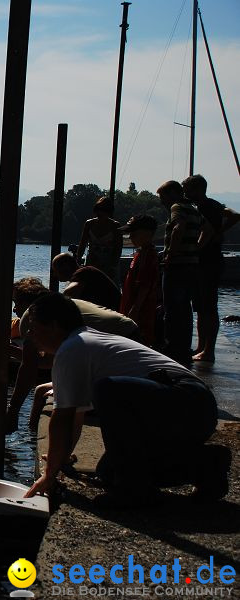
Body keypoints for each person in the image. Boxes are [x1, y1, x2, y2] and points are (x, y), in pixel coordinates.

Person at [22, 293, 227, 506]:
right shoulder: (86, 341)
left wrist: (49, 474)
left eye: (34, 328)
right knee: (109, 471)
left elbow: (62, 417)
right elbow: (76, 415)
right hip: (195, 409)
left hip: (185, 401)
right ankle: (205, 466)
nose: (30, 335)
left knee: (108, 389)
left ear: (54, 326)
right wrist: (61, 459)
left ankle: (133, 489)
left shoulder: (72, 348)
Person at [5, 277, 139, 434]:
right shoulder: (62, 305)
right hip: (130, 337)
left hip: (115, 357)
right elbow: (47, 361)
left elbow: (29, 368)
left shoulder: (33, 315)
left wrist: (12, 411)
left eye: (16, 302)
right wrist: (10, 351)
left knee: (69, 403)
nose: (14, 309)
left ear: (26, 302)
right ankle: (32, 437)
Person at [182, 175, 240, 362]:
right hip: (207, 260)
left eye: (187, 189)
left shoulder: (205, 206)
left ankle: (208, 350)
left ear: (197, 189)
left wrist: (211, 236)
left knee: (208, 307)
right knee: (201, 307)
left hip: (208, 260)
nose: (185, 193)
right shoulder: (213, 205)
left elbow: (234, 217)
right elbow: (234, 214)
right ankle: (202, 347)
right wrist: (220, 231)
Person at [158, 180, 204, 366]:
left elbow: (179, 227)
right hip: (191, 264)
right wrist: (193, 250)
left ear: (172, 194)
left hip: (177, 265)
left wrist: (170, 254)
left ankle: (172, 349)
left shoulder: (177, 207)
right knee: (184, 309)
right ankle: (184, 348)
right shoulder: (194, 208)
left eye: (163, 197)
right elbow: (206, 229)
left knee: (172, 309)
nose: (162, 202)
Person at [119, 214, 160, 346]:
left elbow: (145, 285)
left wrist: (135, 310)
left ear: (147, 233)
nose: (130, 236)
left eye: (133, 233)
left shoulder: (148, 256)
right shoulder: (140, 254)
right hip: (132, 309)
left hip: (141, 315)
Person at [51, 252, 121, 311]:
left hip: (116, 314)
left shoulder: (83, 272)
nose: (54, 275)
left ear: (65, 268)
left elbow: (69, 292)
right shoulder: (84, 273)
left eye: (55, 270)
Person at [76, 197, 123, 283]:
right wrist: (78, 260)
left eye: (104, 210)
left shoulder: (115, 226)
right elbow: (82, 244)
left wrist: (113, 266)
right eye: (98, 209)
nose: (100, 212)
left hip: (109, 265)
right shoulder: (89, 224)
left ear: (109, 211)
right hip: (92, 262)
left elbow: (118, 248)